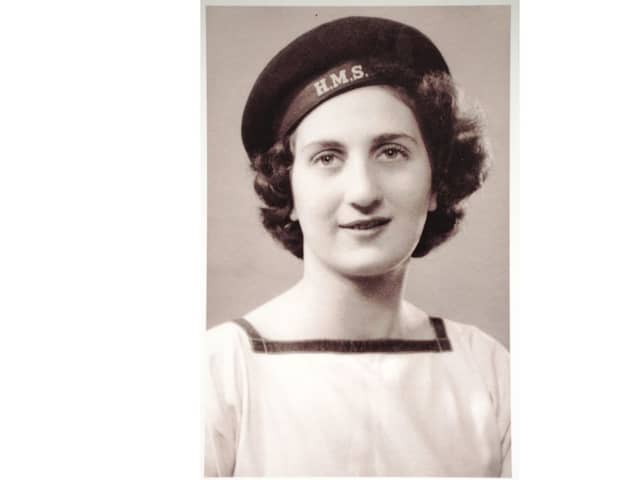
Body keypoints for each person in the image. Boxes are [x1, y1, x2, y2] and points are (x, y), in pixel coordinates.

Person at [205, 16, 510, 477]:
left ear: (435, 183)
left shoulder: (487, 370)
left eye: (391, 152)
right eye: (327, 158)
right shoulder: (220, 371)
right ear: (288, 190)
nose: (363, 191)